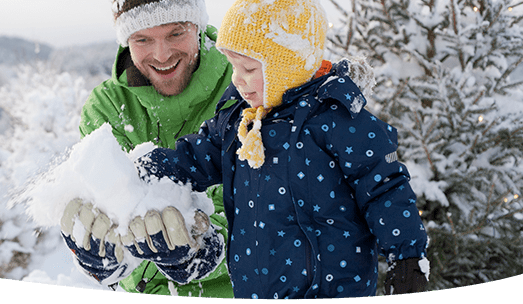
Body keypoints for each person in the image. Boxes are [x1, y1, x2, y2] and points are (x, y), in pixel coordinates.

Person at [131, 0, 430, 299]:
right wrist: (144, 168)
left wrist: (407, 256)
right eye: (234, 67)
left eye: (249, 68)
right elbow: (197, 157)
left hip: (329, 289)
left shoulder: (336, 120)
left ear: (287, 64)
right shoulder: (241, 121)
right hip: (255, 289)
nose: (237, 79)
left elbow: (384, 188)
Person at [59, 0, 236, 298]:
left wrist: (208, 249)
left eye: (176, 33)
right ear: (127, 41)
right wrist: (105, 260)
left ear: (198, 27)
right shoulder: (108, 108)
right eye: (142, 39)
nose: (162, 54)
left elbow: (272, 211)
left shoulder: (244, 85)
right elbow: (102, 208)